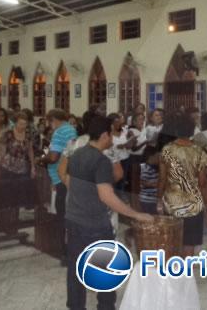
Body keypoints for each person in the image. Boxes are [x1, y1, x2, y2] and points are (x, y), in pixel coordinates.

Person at [65, 116, 152, 310]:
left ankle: (75, 306)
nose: (113, 138)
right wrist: (135, 214)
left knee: (75, 269)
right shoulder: (101, 160)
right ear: (104, 135)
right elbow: (107, 196)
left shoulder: (77, 154)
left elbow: (69, 182)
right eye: (111, 133)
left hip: (73, 220)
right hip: (95, 225)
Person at [157, 113, 207, 256]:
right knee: (189, 243)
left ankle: (172, 273)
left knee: (172, 241)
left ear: (176, 131)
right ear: (192, 131)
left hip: (171, 204)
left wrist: (158, 200)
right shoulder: (199, 151)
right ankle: (184, 273)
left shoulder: (167, 150)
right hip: (193, 205)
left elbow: (162, 179)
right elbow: (203, 183)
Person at [38, 108, 77, 265]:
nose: (49, 124)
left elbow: (54, 157)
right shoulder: (71, 129)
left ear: (54, 119)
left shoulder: (60, 131)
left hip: (61, 177)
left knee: (62, 216)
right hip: (67, 177)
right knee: (67, 214)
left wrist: (40, 160)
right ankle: (69, 250)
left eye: (49, 121)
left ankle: (65, 253)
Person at [1, 112, 35, 179]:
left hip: (23, 169)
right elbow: (0, 148)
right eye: (20, 124)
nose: (22, 126)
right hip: (8, 168)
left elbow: (30, 151)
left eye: (25, 124)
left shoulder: (28, 135)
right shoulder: (8, 134)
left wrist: (32, 167)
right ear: (15, 123)